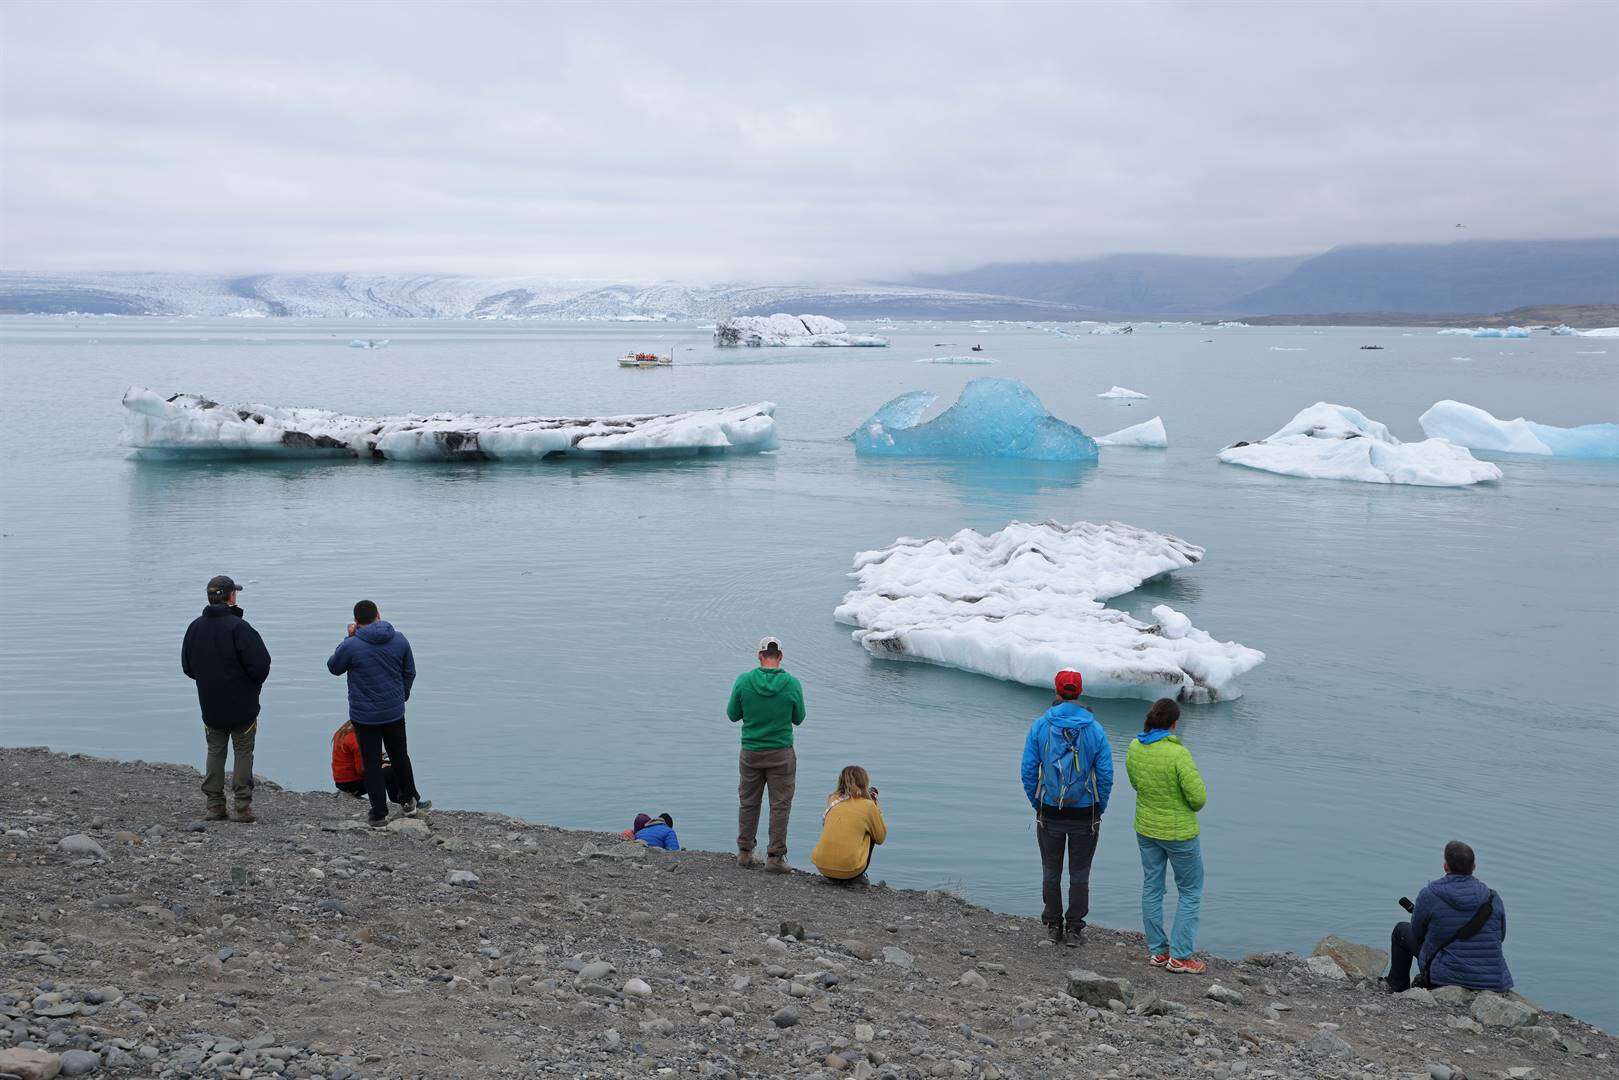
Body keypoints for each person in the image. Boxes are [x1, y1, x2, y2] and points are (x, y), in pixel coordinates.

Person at [1020, 669, 1113, 946]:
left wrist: (1038, 802)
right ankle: (1074, 929)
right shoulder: (1095, 730)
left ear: (1057, 691)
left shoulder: (1040, 726)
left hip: (1049, 810)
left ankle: (1052, 924)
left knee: (1051, 870)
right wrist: (1099, 807)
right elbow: (1105, 774)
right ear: (1080, 692)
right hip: (1085, 813)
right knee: (1080, 873)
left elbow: (1027, 770)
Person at [1125, 698, 1208, 974]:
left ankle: (1158, 951)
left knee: (1152, 886)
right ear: (1174, 723)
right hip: (1179, 833)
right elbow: (1197, 799)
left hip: (1147, 828)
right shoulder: (1179, 754)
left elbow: (1136, 784)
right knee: (1190, 891)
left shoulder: (1135, 747)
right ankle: (1181, 956)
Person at [326, 600, 425, 827]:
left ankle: (379, 813)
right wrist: (402, 695)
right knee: (400, 755)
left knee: (371, 763)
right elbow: (410, 671)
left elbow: (334, 667)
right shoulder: (399, 639)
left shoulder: (352, 645)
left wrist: (349, 637)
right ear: (378, 615)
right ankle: (409, 800)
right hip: (393, 711)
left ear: (356, 622)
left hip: (364, 716)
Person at [181, 574, 271, 823]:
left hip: (211, 703)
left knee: (215, 750)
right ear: (231, 597)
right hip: (242, 703)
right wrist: (250, 684)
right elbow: (261, 665)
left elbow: (188, 667)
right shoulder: (239, 627)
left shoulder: (195, 627)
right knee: (243, 751)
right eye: (235, 593)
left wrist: (208, 681)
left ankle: (214, 805)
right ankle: (242, 807)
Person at [1385, 840, 1511, 993]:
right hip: (1492, 979)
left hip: (1445, 976)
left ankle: (1397, 987)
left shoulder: (1430, 894)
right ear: (1474, 866)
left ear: (1446, 866)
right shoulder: (1492, 898)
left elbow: (1418, 933)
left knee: (1401, 930)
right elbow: (1500, 936)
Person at [726, 634, 806, 873]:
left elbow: (732, 714)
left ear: (760, 655)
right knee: (780, 805)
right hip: (781, 752)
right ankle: (775, 857)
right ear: (780, 656)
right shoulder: (792, 684)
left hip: (751, 750)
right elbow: (799, 718)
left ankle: (745, 852)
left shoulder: (744, 681)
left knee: (748, 802)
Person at [811, 765, 887, 884]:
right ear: (864, 783)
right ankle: (858, 877)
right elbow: (880, 838)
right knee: (870, 830)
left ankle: (833, 868)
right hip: (850, 871)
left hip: (822, 867)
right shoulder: (869, 806)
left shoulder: (833, 799)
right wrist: (877, 809)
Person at [330, 720, 402, 805]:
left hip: (341, 782)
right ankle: (400, 800)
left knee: (388, 764)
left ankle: (400, 799)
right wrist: (380, 766)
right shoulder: (356, 740)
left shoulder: (342, 732)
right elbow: (362, 770)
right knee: (391, 770)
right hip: (351, 785)